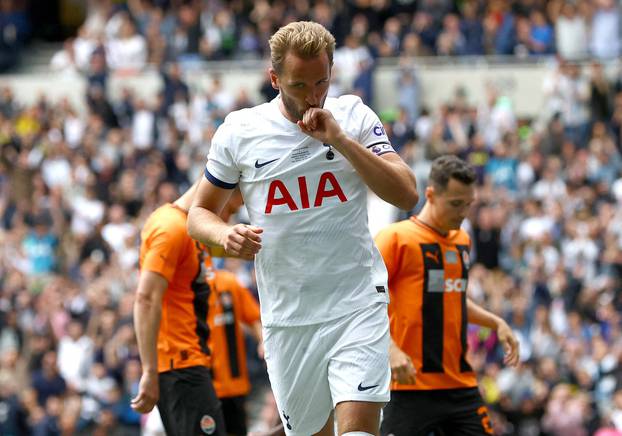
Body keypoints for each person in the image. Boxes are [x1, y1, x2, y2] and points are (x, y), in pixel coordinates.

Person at [187, 20, 418, 436]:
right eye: (299, 86)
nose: (313, 96)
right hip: (289, 318)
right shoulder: (240, 132)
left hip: (357, 303)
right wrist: (224, 235)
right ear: (274, 79)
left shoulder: (353, 116)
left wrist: (342, 141)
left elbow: (405, 193)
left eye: (321, 82)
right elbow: (197, 215)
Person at [374, 155, 520, 436]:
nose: (463, 212)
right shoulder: (395, 239)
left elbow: (452, 297)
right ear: (430, 195)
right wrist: (390, 349)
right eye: (455, 204)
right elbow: (366, 299)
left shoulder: (462, 240)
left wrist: (495, 322)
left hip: (459, 386)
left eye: (468, 204)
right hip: (409, 386)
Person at [131, 182, 226, 436]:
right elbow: (146, 298)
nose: (230, 218)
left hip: (190, 364)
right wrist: (149, 370)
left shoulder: (192, 229)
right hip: (180, 366)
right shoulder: (171, 227)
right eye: (233, 207)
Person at [206, 254, 263, 436]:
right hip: (203, 386)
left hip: (234, 384)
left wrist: (263, 342)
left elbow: (253, 318)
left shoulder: (228, 283)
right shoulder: (183, 290)